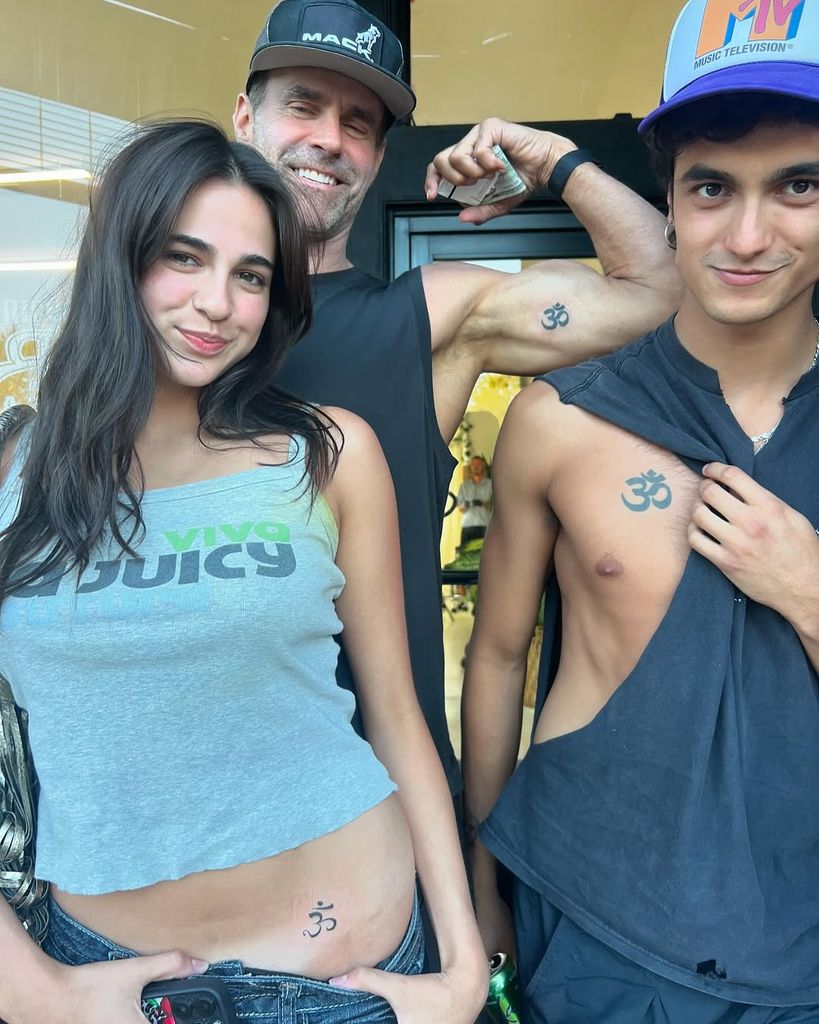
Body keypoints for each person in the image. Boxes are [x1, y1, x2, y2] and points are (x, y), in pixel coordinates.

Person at [0, 119, 488, 1024]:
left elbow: (395, 718)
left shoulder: (328, 456)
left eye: (251, 276)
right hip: (103, 986)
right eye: (182, 258)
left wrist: (463, 969)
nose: (217, 303)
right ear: (119, 260)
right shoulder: (13, 470)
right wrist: (25, 985)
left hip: (352, 979)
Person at [462, 0, 819, 1019]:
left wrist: (806, 590)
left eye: (797, 186)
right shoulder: (559, 419)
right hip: (598, 925)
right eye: (712, 187)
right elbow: (496, 657)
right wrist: (480, 884)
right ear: (668, 195)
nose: (746, 234)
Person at [232, 0, 683, 794]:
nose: (329, 139)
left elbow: (664, 295)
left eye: (358, 123)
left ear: (378, 155)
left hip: (383, 795)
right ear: (244, 117)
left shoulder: (432, 316)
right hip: (190, 801)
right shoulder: (162, 328)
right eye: (303, 105)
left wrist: (556, 163)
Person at [457, 456, 493, 547]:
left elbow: (497, 506)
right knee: (466, 555)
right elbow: (460, 507)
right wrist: (467, 505)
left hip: (485, 526)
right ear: (470, 467)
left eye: (478, 464)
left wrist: (484, 504)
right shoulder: (464, 486)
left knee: (485, 555)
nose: (476, 467)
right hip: (467, 526)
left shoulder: (491, 485)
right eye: (473, 465)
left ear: (483, 465)